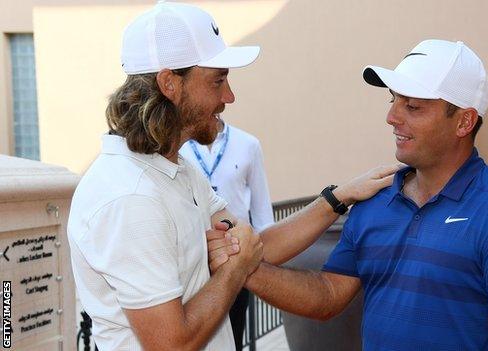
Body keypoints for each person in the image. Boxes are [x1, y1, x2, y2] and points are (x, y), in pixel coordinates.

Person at [67, 2, 397, 350]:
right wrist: (235, 269)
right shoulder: (130, 197)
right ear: (169, 83)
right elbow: (171, 345)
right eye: (218, 81)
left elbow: (257, 247)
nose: (229, 96)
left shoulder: (175, 169)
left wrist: (337, 198)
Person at [215, 39, 488, 350]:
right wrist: (245, 268)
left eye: (413, 107)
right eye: (394, 101)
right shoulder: (373, 201)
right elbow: (328, 295)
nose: (392, 117)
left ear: (464, 122)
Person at [179, 118, 274, 350]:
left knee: (235, 336)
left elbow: (262, 214)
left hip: (235, 260)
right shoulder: (178, 147)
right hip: (192, 267)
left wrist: (262, 268)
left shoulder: (248, 144)